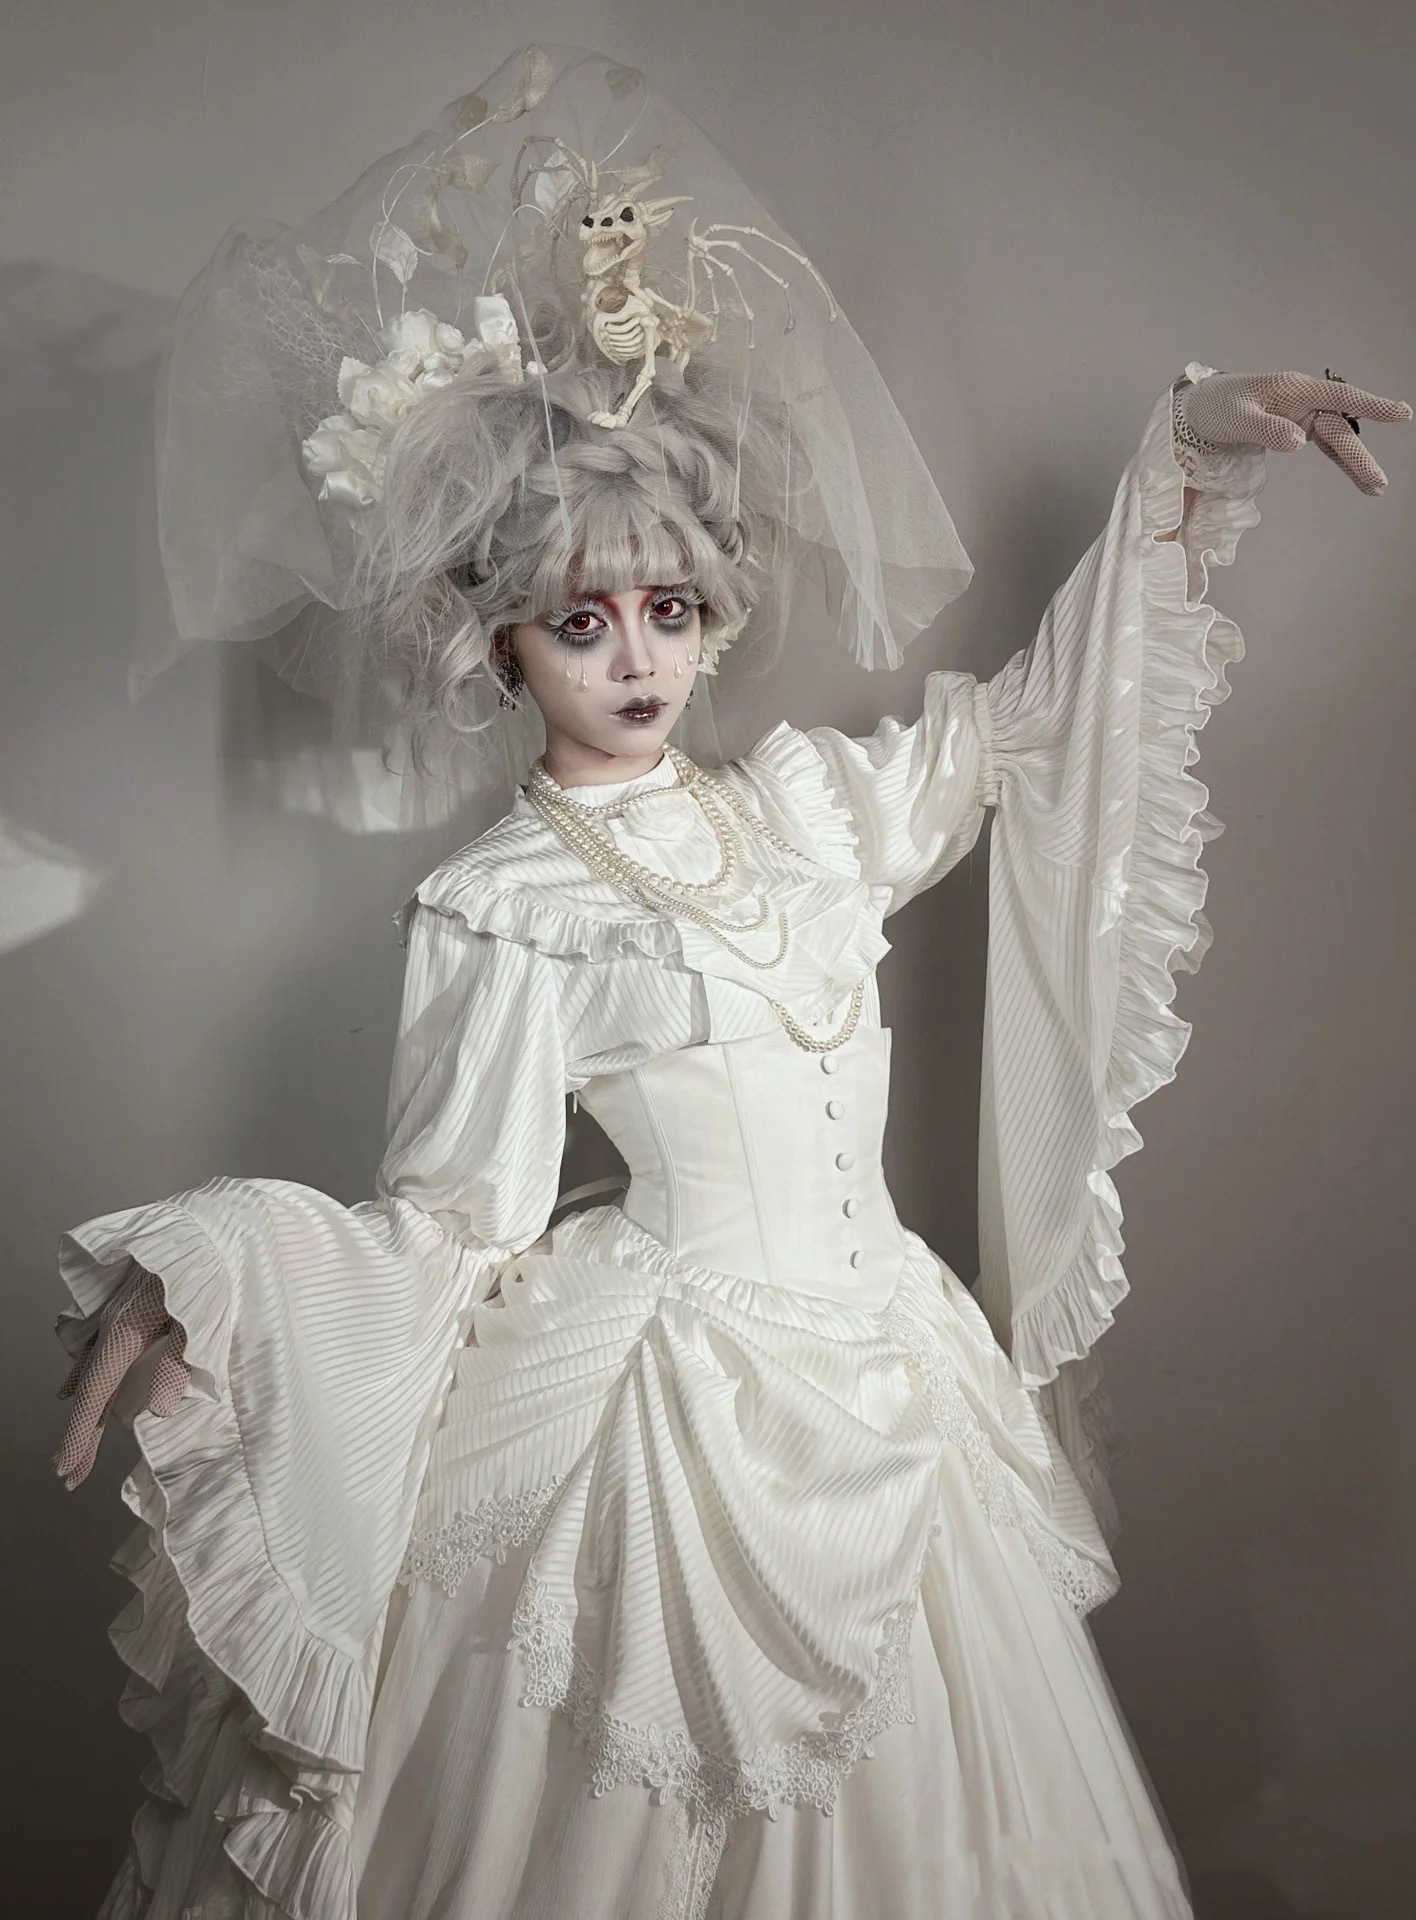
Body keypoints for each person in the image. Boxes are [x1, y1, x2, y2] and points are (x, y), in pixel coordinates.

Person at [49, 45, 1408, 1920]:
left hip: (896, 1377)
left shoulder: (815, 810)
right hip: (661, 1402)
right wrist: (217, 1268)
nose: (636, 659)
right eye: (580, 620)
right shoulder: (502, 904)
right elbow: (449, 1220)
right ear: (501, 645)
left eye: (669, 610)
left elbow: (1033, 724)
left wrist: (1183, 460)